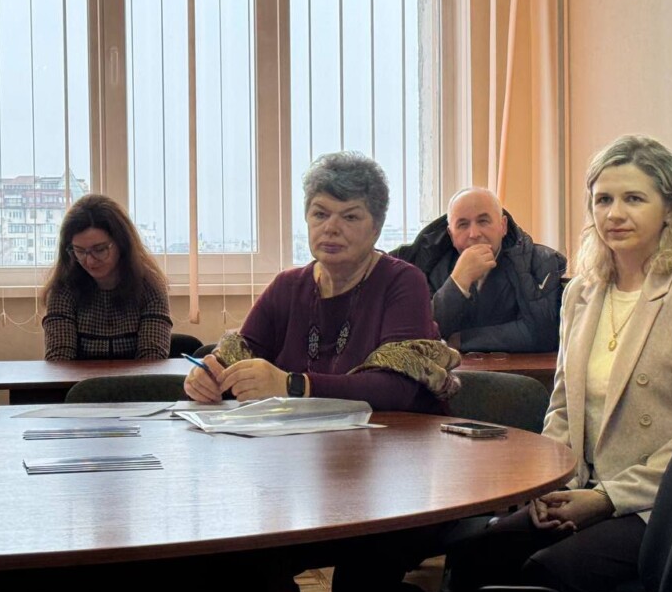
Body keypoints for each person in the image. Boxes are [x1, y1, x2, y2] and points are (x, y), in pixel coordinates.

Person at [442, 134, 672, 592]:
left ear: (670, 209)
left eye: (634, 199)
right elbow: (562, 409)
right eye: (603, 200)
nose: (614, 214)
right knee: (474, 556)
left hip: (670, 503)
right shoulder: (581, 292)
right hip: (585, 488)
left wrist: (606, 498)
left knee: (546, 571)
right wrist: (548, 486)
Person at [184, 150, 460, 412]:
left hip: (398, 439)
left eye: (350, 217)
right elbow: (238, 357)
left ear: (376, 228)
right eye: (320, 214)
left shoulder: (402, 281)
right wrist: (208, 377)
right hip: (301, 439)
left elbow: (396, 388)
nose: (331, 228)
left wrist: (292, 385)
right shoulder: (287, 286)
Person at [391, 187, 565, 352]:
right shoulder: (428, 266)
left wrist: (463, 340)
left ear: (503, 226)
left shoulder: (541, 261)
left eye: (483, 221)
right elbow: (422, 332)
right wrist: (458, 282)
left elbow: (544, 332)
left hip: (520, 371)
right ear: (451, 234)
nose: (474, 234)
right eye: (463, 225)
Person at [42, 194, 172, 361]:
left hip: (138, 379)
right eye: (79, 251)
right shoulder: (64, 288)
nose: (89, 261)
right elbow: (59, 360)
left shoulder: (150, 286)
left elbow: (152, 361)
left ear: (122, 243)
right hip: (78, 379)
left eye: (100, 250)